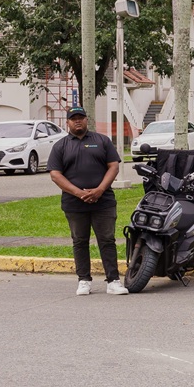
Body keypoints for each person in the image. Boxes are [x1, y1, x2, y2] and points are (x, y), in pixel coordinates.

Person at [47, 106, 126, 295]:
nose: (77, 121)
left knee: (107, 240)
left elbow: (113, 167)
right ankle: (84, 280)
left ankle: (113, 281)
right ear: (68, 122)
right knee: (80, 241)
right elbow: (55, 175)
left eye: (80, 117)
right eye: (73, 118)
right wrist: (78, 193)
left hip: (104, 201)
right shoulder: (61, 146)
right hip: (74, 203)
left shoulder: (102, 141)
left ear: (86, 120)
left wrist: (99, 190)